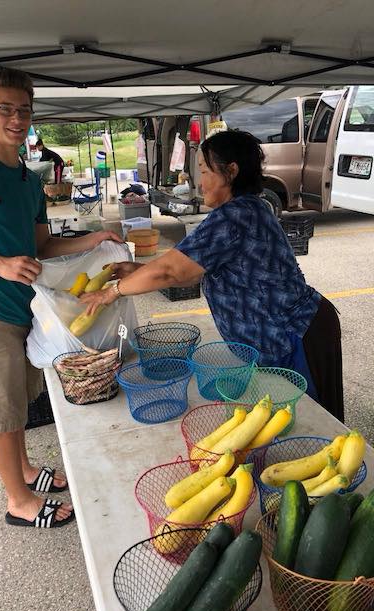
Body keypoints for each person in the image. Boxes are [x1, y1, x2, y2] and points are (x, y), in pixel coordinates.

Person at [0, 68, 122, 529]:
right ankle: (17, 500)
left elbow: (43, 247)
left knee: (18, 400)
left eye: (24, 110)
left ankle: (23, 470)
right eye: (5, 109)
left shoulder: (29, 179)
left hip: (26, 311)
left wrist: (93, 239)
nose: (16, 119)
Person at [80, 130, 344, 422]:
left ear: (231, 171)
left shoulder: (235, 215)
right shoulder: (247, 209)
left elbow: (170, 271)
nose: (199, 182)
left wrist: (112, 292)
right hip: (294, 332)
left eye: (205, 171)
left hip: (299, 335)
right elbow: (191, 272)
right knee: (293, 422)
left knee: (313, 424)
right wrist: (141, 272)